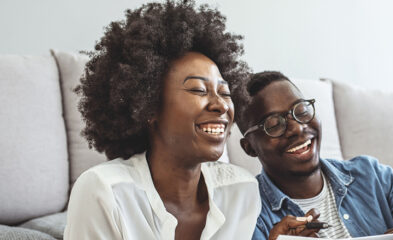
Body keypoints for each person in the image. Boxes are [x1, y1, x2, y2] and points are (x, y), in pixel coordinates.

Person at [63, 1, 260, 239]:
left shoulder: (241, 192)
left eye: (226, 93)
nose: (220, 105)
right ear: (149, 106)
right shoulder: (105, 191)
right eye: (198, 90)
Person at [230, 71, 393, 240]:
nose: (297, 128)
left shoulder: (372, 176)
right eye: (274, 125)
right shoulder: (248, 213)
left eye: (301, 110)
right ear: (249, 147)